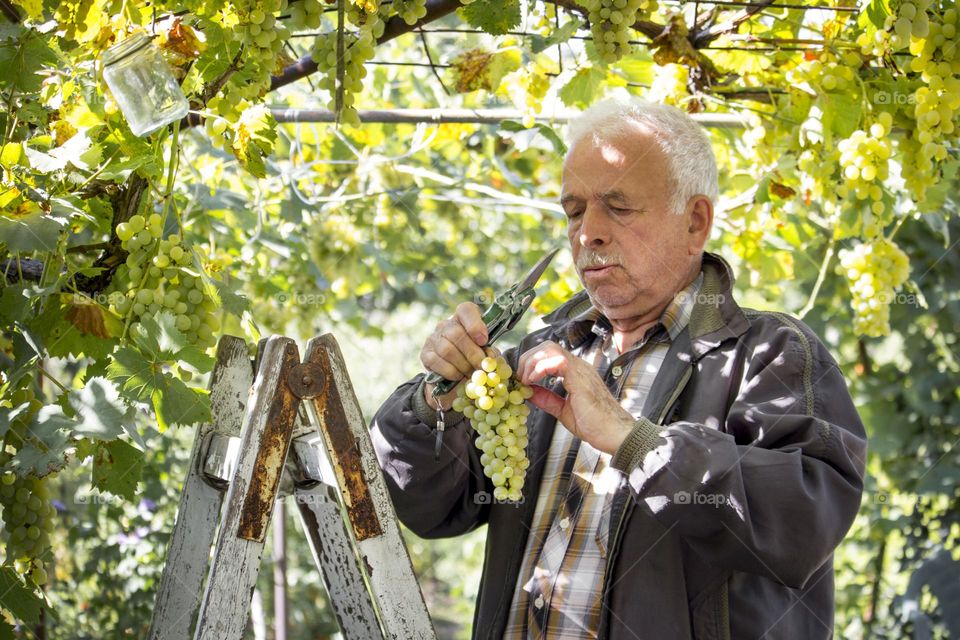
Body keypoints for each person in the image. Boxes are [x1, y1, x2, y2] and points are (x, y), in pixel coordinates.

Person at [370, 97, 867, 639]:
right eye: (574, 211)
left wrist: (635, 443)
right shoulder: (536, 359)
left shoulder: (771, 353)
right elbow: (428, 506)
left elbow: (803, 523)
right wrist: (431, 404)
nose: (588, 233)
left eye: (618, 206)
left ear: (695, 222)